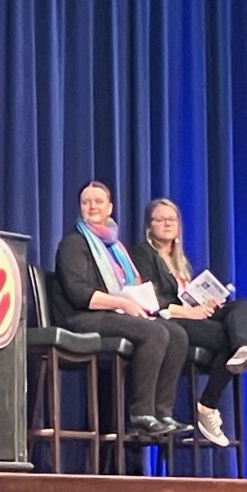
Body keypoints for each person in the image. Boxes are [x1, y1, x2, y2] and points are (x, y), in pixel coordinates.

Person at [53, 181, 191, 436]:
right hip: (82, 317)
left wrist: (138, 300)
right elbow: (79, 294)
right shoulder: (73, 244)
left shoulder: (115, 247)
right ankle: (141, 413)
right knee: (154, 333)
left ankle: (163, 413)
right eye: (86, 202)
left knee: (178, 334)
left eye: (98, 202)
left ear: (110, 208)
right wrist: (123, 303)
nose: (92, 207)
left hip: (111, 314)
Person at [131, 197, 247, 446]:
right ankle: (207, 406)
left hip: (191, 314)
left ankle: (240, 351)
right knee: (227, 339)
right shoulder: (143, 254)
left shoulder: (180, 261)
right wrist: (192, 313)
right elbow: (153, 300)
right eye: (160, 220)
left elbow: (186, 297)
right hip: (170, 322)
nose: (167, 224)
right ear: (149, 226)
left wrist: (205, 305)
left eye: (172, 219)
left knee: (240, 306)